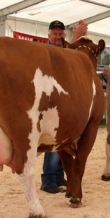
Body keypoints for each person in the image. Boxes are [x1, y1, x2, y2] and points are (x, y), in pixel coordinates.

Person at [41, 19, 88, 194]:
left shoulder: (66, 48)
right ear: (48, 35)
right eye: (55, 33)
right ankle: (48, 180)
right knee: (52, 140)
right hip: (50, 103)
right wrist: (75, 39)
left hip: (63, 102)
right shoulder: (46, 50)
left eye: (61, 33)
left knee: (63, 140)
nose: (58, 36)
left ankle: (59, 176)